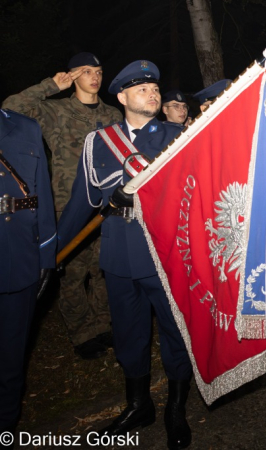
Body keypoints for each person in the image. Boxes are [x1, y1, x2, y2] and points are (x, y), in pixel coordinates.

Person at [57, 60, 193, 450]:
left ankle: (176, 409)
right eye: (142, 88)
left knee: (174, 332)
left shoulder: (178, 135)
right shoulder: (99, 142)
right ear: (122, 97)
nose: (152, 93)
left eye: (155, 88)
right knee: (129, 335)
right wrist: (53, 251)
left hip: (165, 254)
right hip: (118, 257)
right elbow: (81, 202)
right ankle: (139, 405)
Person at [2, 52, 122, 360]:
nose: (94, 76)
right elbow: (10, 109)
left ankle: (102, 325)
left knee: (103, 270)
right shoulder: (55, 111)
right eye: (85, 71)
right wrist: (49, 86)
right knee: (71, 273)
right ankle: (82, 333)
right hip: (67, 206)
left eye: (98, 70)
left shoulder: (113, 115)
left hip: (107, 206)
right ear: (72, 77)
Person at [0, 109, 57, 446]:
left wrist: (46, 255)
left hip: (17, 259)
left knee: (10, 360)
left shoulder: (24, 127)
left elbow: (43, 197)